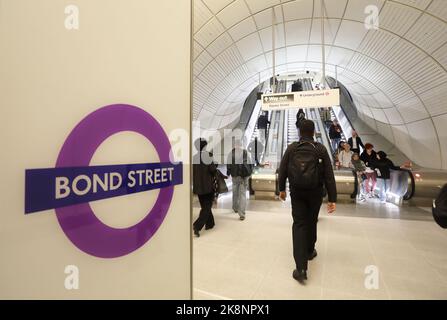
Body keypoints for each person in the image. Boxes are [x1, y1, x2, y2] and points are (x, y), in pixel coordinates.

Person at [278, 120, 337, 284]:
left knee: (299, 224)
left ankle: (301, 268)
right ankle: (310, 251)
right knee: (312, 221)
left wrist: (281, 189)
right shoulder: (320, 149)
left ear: (299, 131)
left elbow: (282, 170)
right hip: (315, 192)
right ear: (313, 132)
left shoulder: (292, 148)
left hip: (296, 192)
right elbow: (329, 176)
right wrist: (332, 198)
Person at [192, 139, 217, 237]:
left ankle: (210, 223)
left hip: (198, 186)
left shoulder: (194, 157)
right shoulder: (208, 155)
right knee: (206, 207)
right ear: (205, 146)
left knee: (205, 206)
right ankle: (197, 226)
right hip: (207, 186)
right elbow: (213, 170)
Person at [227, 140, 253, 221]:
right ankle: (242, 213)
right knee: (242, 194)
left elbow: (228, 165)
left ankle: (235, 207)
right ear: (242, 145)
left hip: (235, 176)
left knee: (235, 192)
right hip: (244, 176)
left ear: (235, 145)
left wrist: (229, 173)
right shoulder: (246, 153)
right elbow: (251, 164)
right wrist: (250, 173)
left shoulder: (231, 153)